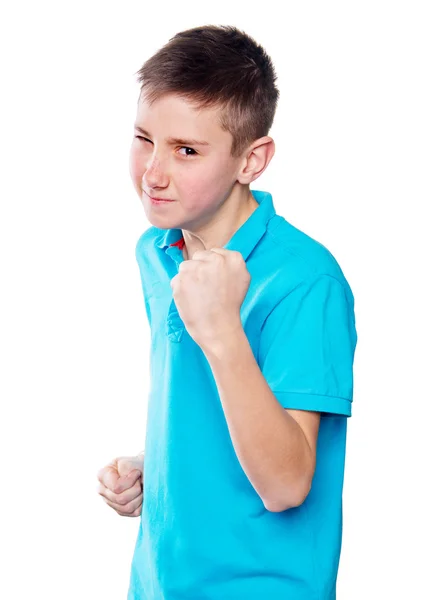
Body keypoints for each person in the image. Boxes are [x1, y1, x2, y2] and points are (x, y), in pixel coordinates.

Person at [97, 24, 358, 600]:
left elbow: (288, 483)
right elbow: (221, 411)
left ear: (252, 159)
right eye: (145, 138)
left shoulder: (305, 280)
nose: (153, 172)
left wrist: (221, 329)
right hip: (160, 584)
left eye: (187, 150)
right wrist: (160, 466)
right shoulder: (158, 249)